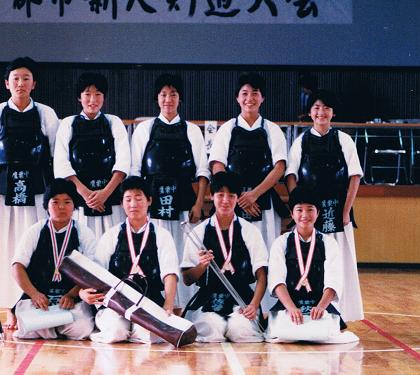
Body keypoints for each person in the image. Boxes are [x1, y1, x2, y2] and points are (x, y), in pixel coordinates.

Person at [0, 57, 60, 329]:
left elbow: (56, 157)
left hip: (37, 193)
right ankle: (10, 308)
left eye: (26, 78)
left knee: (34, 249)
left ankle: (32, 303)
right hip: (3, 196)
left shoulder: (47, 115)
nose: (20, 83)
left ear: (34, 83)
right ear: (6, 83)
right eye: (15, 78)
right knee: (4, 249)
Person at [208, 73, 287, 312]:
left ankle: (266, 310)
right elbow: (217, 165)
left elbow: (280, 166)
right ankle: (236, 307)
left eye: (255, 93)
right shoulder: (227, 129)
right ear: (237, 98)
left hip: (264, 204)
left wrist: (254, 195)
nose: (249, 98)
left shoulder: (272, 130)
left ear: (262, 98)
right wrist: (239, 197)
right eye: (244, 93)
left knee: (265, 256)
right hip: (234, 206)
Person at [130, 74, 210, 308]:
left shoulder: (192, 131)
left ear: (180, 99)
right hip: (153, 207)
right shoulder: (144, 129)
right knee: (156, 252)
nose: (168, 99)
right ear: (157, 98)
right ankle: (158, 303)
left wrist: (198, 203)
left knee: (183, 253)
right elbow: (135, 170)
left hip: (184, 206)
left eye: (173, 94)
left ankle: (183, 305)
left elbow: (202, 171)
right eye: (163, 94)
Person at [286, 90, 364, 323]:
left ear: (333, 112)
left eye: (326, 108)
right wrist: (298, 210)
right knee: (309, 261)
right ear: (310, 112)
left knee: (338, 262)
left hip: (336, 212)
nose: (321, 112)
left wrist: (346, 210)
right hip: (309, 216)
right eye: (316, 108)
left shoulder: (344, 140)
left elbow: (354, 176)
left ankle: (340, 313)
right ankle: (308, 309)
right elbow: (291, 176)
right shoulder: (301, 142)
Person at [81, 176, 179, 344]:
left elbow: (170, 273)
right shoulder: (111, 235)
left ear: (149, 201)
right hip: (116, 302)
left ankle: (136, 330)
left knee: (149, 335)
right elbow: (97, 272)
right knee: (116, 332)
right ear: (122, 204)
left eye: (139, 198)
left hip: (149, 301)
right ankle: (122, 329)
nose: (133, 204)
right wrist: (83, 292)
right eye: (128, 199)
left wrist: (168, 305)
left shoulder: (162, 235)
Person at [180, 172, 268, 343]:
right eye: (220, 195)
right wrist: (201, 266)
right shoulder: (199, 231)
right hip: (208, 298)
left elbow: (262, 275)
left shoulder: (250, 231)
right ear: (211, 196)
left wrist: (254, 305)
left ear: (237, 198)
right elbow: (187, 279)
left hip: (242, 296)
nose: (226, 200)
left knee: (240, 331)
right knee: (211, 329)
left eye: (231, 195)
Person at [266, 187, 359, 344]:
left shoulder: (329, 243)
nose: (304, 215)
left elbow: (334, 279)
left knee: (322, 334)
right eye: (299, 210)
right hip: (289, 306)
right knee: (283, 332)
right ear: (292, 213)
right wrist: (291, 308)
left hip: (319, 306)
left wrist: (321, 306)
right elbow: (276, 280)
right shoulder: (281, 242)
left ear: (318, 212)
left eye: (310, 209)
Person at [11, 178, 96, 340]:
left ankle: (50, 328)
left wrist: (72, 294)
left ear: (74, 205)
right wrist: (34, 294)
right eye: (55, 202)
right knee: (27, 330)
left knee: (82, 329)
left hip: (71, 300)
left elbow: (91, 272)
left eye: (67, 202)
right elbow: (17, 266)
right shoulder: (35, 231)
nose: (61, 207)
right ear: (46, 205)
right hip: (40, 300)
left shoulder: (84, 233)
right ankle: (53, 327)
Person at [54, 72, 130, 239]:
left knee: (112, 245)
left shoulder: (114, 122)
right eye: (87, 94)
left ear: (104, 97)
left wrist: (105, 193)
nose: (93, 100)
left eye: (98, 94)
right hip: (79, 201)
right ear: (79, 98)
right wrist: (85, 193)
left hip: (110, 199)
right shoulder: (68, 123)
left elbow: (123, 161)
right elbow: (61, 163)